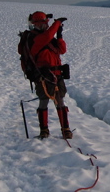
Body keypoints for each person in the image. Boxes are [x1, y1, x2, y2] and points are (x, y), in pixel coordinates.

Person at [21, 11, 72, 139]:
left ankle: (65, 129)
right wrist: (57, 23)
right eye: (44, 23)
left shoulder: (47, 38)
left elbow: (62, 50)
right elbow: (48, 35)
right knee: (43, 101)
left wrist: (59, 36)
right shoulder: (34, 39)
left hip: (56, 74)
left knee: (60, 101)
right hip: (42, 76)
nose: (46, 26)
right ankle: (44, 130)